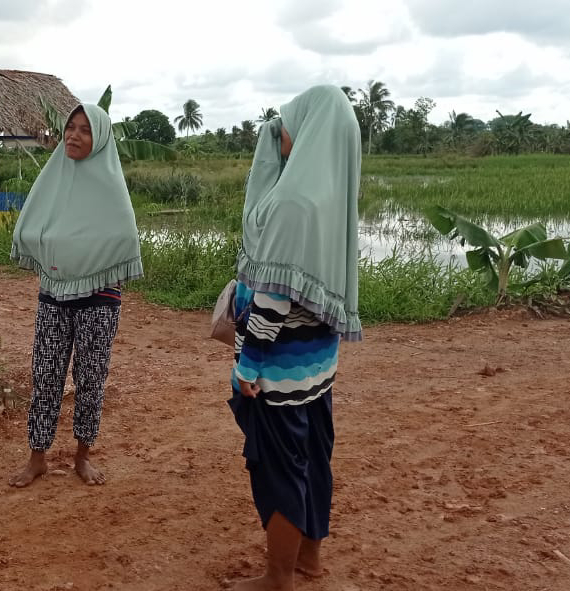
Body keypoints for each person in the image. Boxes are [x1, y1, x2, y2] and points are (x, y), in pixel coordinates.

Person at [227, 85, 362, 591]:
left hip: (279, 369)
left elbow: (273, 297)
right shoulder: (333, 193)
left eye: (287, 121)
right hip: (318, 366)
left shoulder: (291, 202)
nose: (279, 131)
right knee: (314, 461)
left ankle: (277, 578)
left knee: (280, 468)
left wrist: (247, 365)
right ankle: (310, 560)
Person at [8, 103, 142, 488]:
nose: (74, 135)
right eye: (70, 127)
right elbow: (31, 228)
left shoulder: (111, 189)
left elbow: (123, 239)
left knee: (90, 378)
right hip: (54, 293)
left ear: (99, 138)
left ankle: (83, 456)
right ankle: (38, 458)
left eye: (84, 129)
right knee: (46, 375)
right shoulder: (53, 179)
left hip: (100, 300)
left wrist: (85, 255)